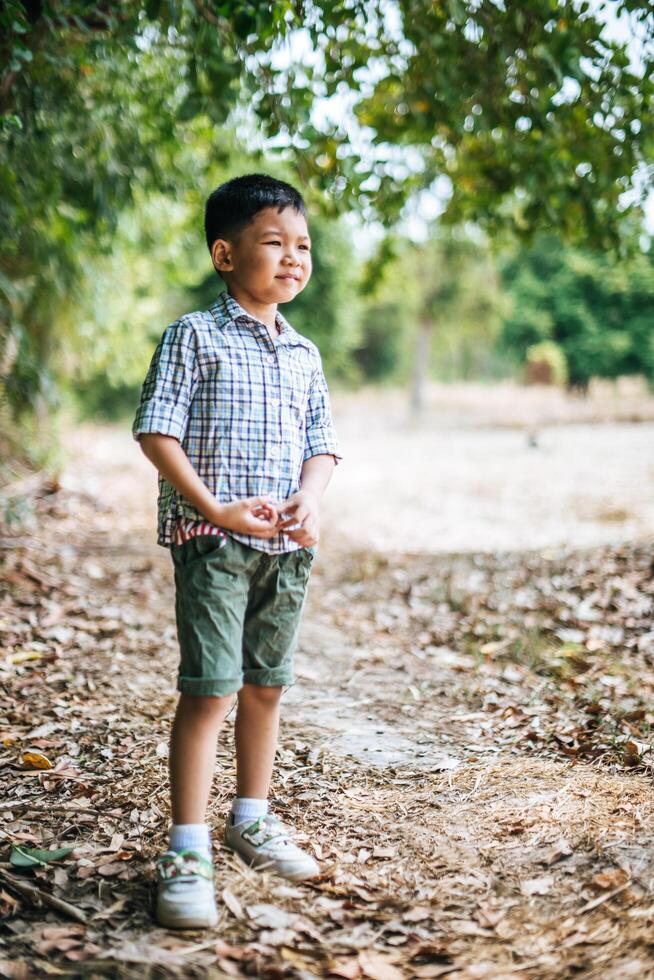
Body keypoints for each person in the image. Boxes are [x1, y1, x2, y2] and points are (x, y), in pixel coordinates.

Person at [131, 173, 342, 929]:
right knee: (211, 688)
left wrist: (311, 498)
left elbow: (321, 446)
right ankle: (187, 847)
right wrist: (214, 506)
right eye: (273, 243)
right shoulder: (194, 335)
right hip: (213, 541)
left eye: (303, 245)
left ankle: (251, 817)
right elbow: (158, 430)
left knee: (266, 685)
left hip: (286, 548)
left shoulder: (306, 353)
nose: (293, 258)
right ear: (225, 254)